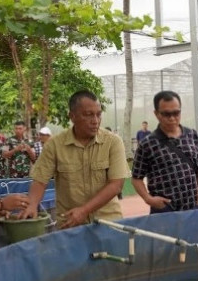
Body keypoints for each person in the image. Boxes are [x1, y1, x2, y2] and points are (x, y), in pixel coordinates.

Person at [20, 90, 129, 229]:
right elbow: (40, 180)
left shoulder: (113, 142)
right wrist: (32, 205)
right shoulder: (54, 145)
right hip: (70, 225)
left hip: (108, 224)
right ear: (72, 116)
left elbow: (116, 185)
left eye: (98, 114)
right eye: (88, 115)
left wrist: (84, 210)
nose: (95, 121)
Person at [131, 90, 198, 213]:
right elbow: (136, 178)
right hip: (164, 211)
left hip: (193, 208)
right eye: (166, 114)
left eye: (176, 113)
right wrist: (148, 199)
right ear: (156, 114)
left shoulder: (193, 136)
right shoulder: (148, 144)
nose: (172, 118)